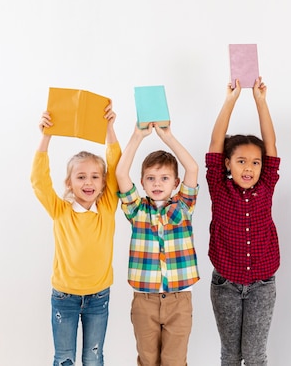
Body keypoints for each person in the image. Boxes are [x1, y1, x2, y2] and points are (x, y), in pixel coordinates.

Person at [31, 105, 120, 366]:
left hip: (98, 298)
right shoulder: (60, 211)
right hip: (64, 298)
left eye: (95, 177)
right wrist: (46, 136)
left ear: (103, 182)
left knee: (93, 358)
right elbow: (39, 180)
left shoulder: (106, 208)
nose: (88, 182)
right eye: (81, 177)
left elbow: (116, 168)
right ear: (69, 183)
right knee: (65, 358)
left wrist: (109, 130)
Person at [206, 77, 280, 366]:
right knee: (231, 355)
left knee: (255, 355)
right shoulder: (218, 185)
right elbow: (215, 143)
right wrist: (231, 100)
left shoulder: (267, 186)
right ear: (227, 163)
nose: (249, 167)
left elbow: (270, 144)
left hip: (262, 283)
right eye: (241, 161)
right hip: (225, 283)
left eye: (255, 162)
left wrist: (261, 101)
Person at [116, 121, 200, 366]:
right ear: (142, 182)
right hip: (145, 300)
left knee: (174, 361)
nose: (157, 183)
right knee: (147, 360)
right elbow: (121, 173)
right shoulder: (137, 210)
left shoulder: (183, 207)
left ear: (175, 183)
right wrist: (137, 136)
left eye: (164, 178)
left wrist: (168, 137)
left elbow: (192, 168)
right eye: (150, 178)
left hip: (179, 299)